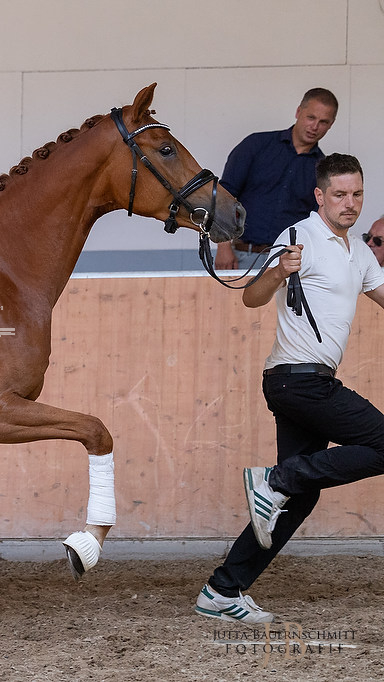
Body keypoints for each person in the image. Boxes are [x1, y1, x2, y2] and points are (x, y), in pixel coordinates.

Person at [195, 154, 384, 625]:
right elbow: (251, 296)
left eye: (357, 194)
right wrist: (279, 271)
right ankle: (275, 480)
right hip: (297, 381)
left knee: (301, 495)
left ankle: (222, 590)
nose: (350, 203)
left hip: (309, 383)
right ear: (320, 196)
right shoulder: (299, 236)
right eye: (339, 194)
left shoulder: (359, 253)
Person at [215, 88, 338, 271]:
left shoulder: (323, 170)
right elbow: (224, 194)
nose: (314, 127)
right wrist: (223, 246)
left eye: (323, 122)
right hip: (240, 256)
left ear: (331, 124)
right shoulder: (256, 145)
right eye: (311, 118)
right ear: (298, 112)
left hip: (288, 263)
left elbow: (319, 222)